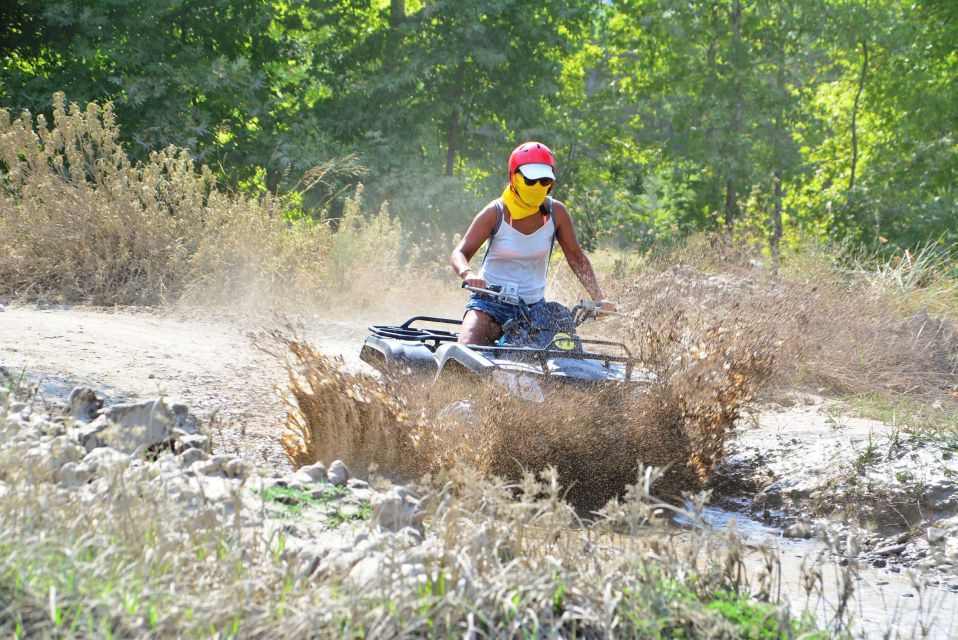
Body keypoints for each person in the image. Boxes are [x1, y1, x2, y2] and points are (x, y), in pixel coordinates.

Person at [450, 141, 613, 345]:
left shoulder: (557, 213)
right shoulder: (496, 212)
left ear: (551, 182)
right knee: (467, 350)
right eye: (530, 180)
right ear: (514, 178)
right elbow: (460, 252)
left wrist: (598, 298)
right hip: (489, 303)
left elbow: (576, 257)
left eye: (544, 180)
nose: (537, 186)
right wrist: (469, 274)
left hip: (534, 310)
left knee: (564, 359)